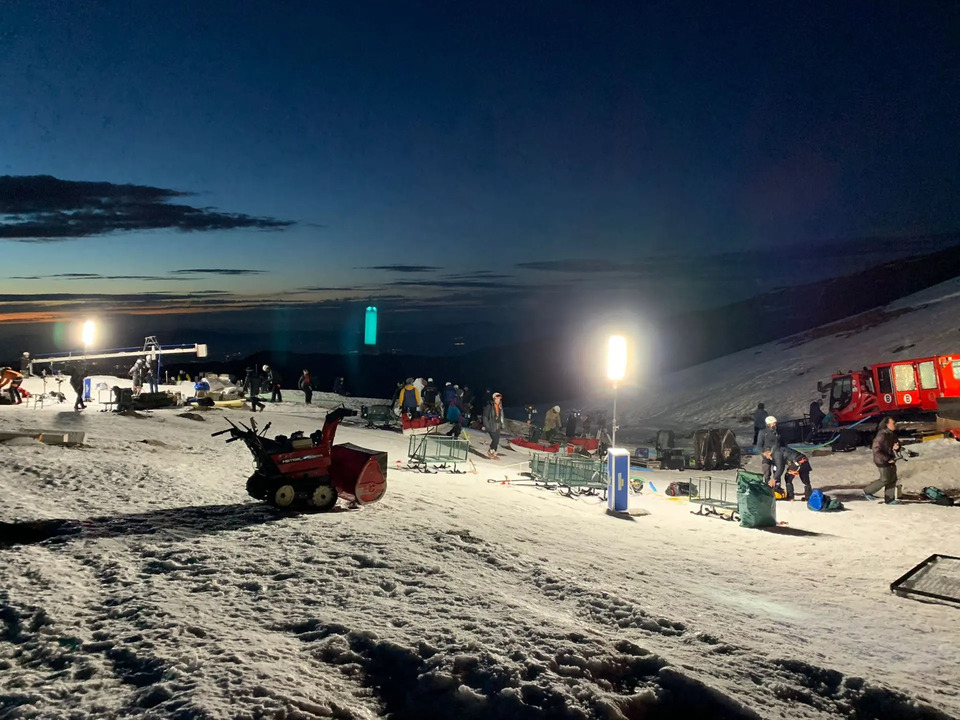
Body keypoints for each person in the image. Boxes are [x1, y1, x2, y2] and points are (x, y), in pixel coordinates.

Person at [864, 417, 901, 504]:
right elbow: (876, 449)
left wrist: (897, 447)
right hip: (882, 460)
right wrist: (887, 459)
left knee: (893, 478)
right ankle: (868, 491)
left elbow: (896, 445)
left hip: (890, 459)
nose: (894, 425)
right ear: (887, 425)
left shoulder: (892, 434)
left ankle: (890, 499)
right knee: (885, 479)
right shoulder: (882, 435)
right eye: (892, 423)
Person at [756, 416, 781, 483]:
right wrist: (764, 453)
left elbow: (781, 443)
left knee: (777, 473)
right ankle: (767, 486)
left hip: (776, 455)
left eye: (776, 423)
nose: (775, 424)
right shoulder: (763, 432)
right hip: (766, 455)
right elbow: (759, 445)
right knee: (766, 472)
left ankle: (777, 489)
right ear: (769, 424)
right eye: (774, 423)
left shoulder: (778, 432)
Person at [483, 392, 505, 459]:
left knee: (497, 440)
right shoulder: (490, 406)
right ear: (494, 398)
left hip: (497, 426)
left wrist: (502, 424)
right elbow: (485, 417)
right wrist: (487, 426)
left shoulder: (499, 406)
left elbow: (501, 416)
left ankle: (494, 451)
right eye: (497, 398)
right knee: (495, 439)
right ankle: (491, 451)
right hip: (491, 425)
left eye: (499, 399)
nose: (499, 400)